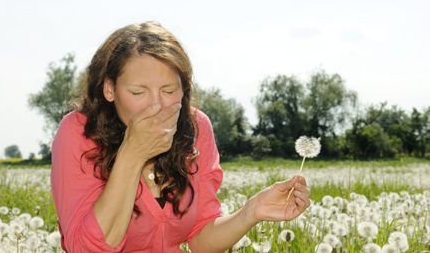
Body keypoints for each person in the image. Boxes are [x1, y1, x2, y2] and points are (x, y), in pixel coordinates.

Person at [50, 21, 311, 253]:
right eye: (138, 93)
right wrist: (132, 155)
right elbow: (86, 248)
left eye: (169, 90)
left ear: (184, 88)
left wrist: (251, 212)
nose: (156, 106)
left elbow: (200, 238)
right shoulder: (78, 133)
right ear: (109, 88)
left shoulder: (196, 128)